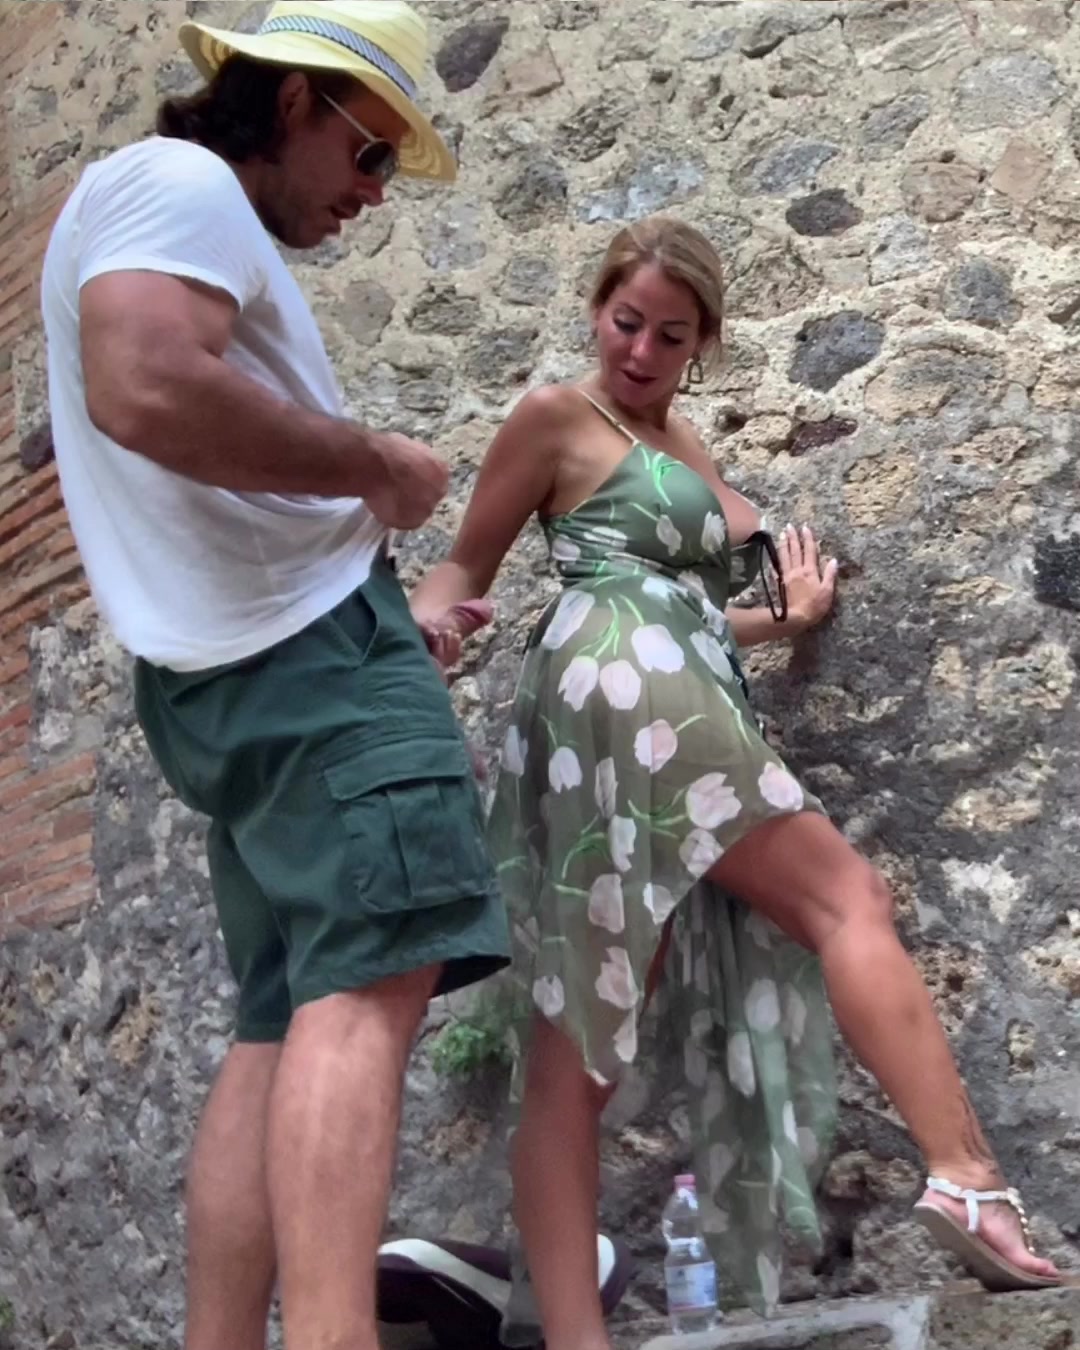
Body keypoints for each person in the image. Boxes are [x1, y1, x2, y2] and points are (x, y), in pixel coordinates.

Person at [410, 216, 1060, 1349]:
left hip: (661, 685)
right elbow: (469, 560)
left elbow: (692, 613)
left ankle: (574, 1337)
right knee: (844, 899)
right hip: (620, 684)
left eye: (670, 335)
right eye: (626, 323)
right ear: (597, 310)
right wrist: (431, 623)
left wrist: (786, 619)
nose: (641, 350)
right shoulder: (557, 416)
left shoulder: (682, 441)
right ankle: (965, 1176)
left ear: (704, 343)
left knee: (580, 1042)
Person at [39, 5, 511, 1350]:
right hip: (310, 664)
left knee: (282, 1020)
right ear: (296, 101)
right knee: (366, 988)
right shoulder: (181, 182)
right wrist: (380, 468)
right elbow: (144, 381)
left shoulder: (136, 202)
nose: (374, 195)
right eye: (370, 154)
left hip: (234, 681)